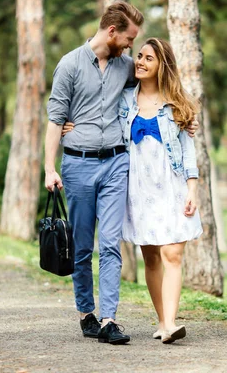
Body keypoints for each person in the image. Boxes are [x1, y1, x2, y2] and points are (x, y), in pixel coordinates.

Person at [63, 38, 202, 344]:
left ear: (161, 66)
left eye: (148, 58)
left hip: (171, 185)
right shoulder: (124, 99)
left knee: (173, 253)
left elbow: (188, 149)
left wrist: (193, 187)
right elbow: (94, 112)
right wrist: (73, 126)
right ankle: (163, 322)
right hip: (137, 188)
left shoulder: (177, 104)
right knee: (151, 257)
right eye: (138, 56)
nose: (139, 61)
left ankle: (169, 323)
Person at [44, 1, 143, 345]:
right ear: (112, 32)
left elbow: (158, 81)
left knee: (111, 244)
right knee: (83, 246)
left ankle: (109, 319)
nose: (132, 45)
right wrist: (48, 167)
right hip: (78, 164)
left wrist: (182, 117)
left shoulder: (126, 66)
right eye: (129, 38)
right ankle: (86, 313)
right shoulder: (70, 65)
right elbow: (56, 119)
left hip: (116, 162)